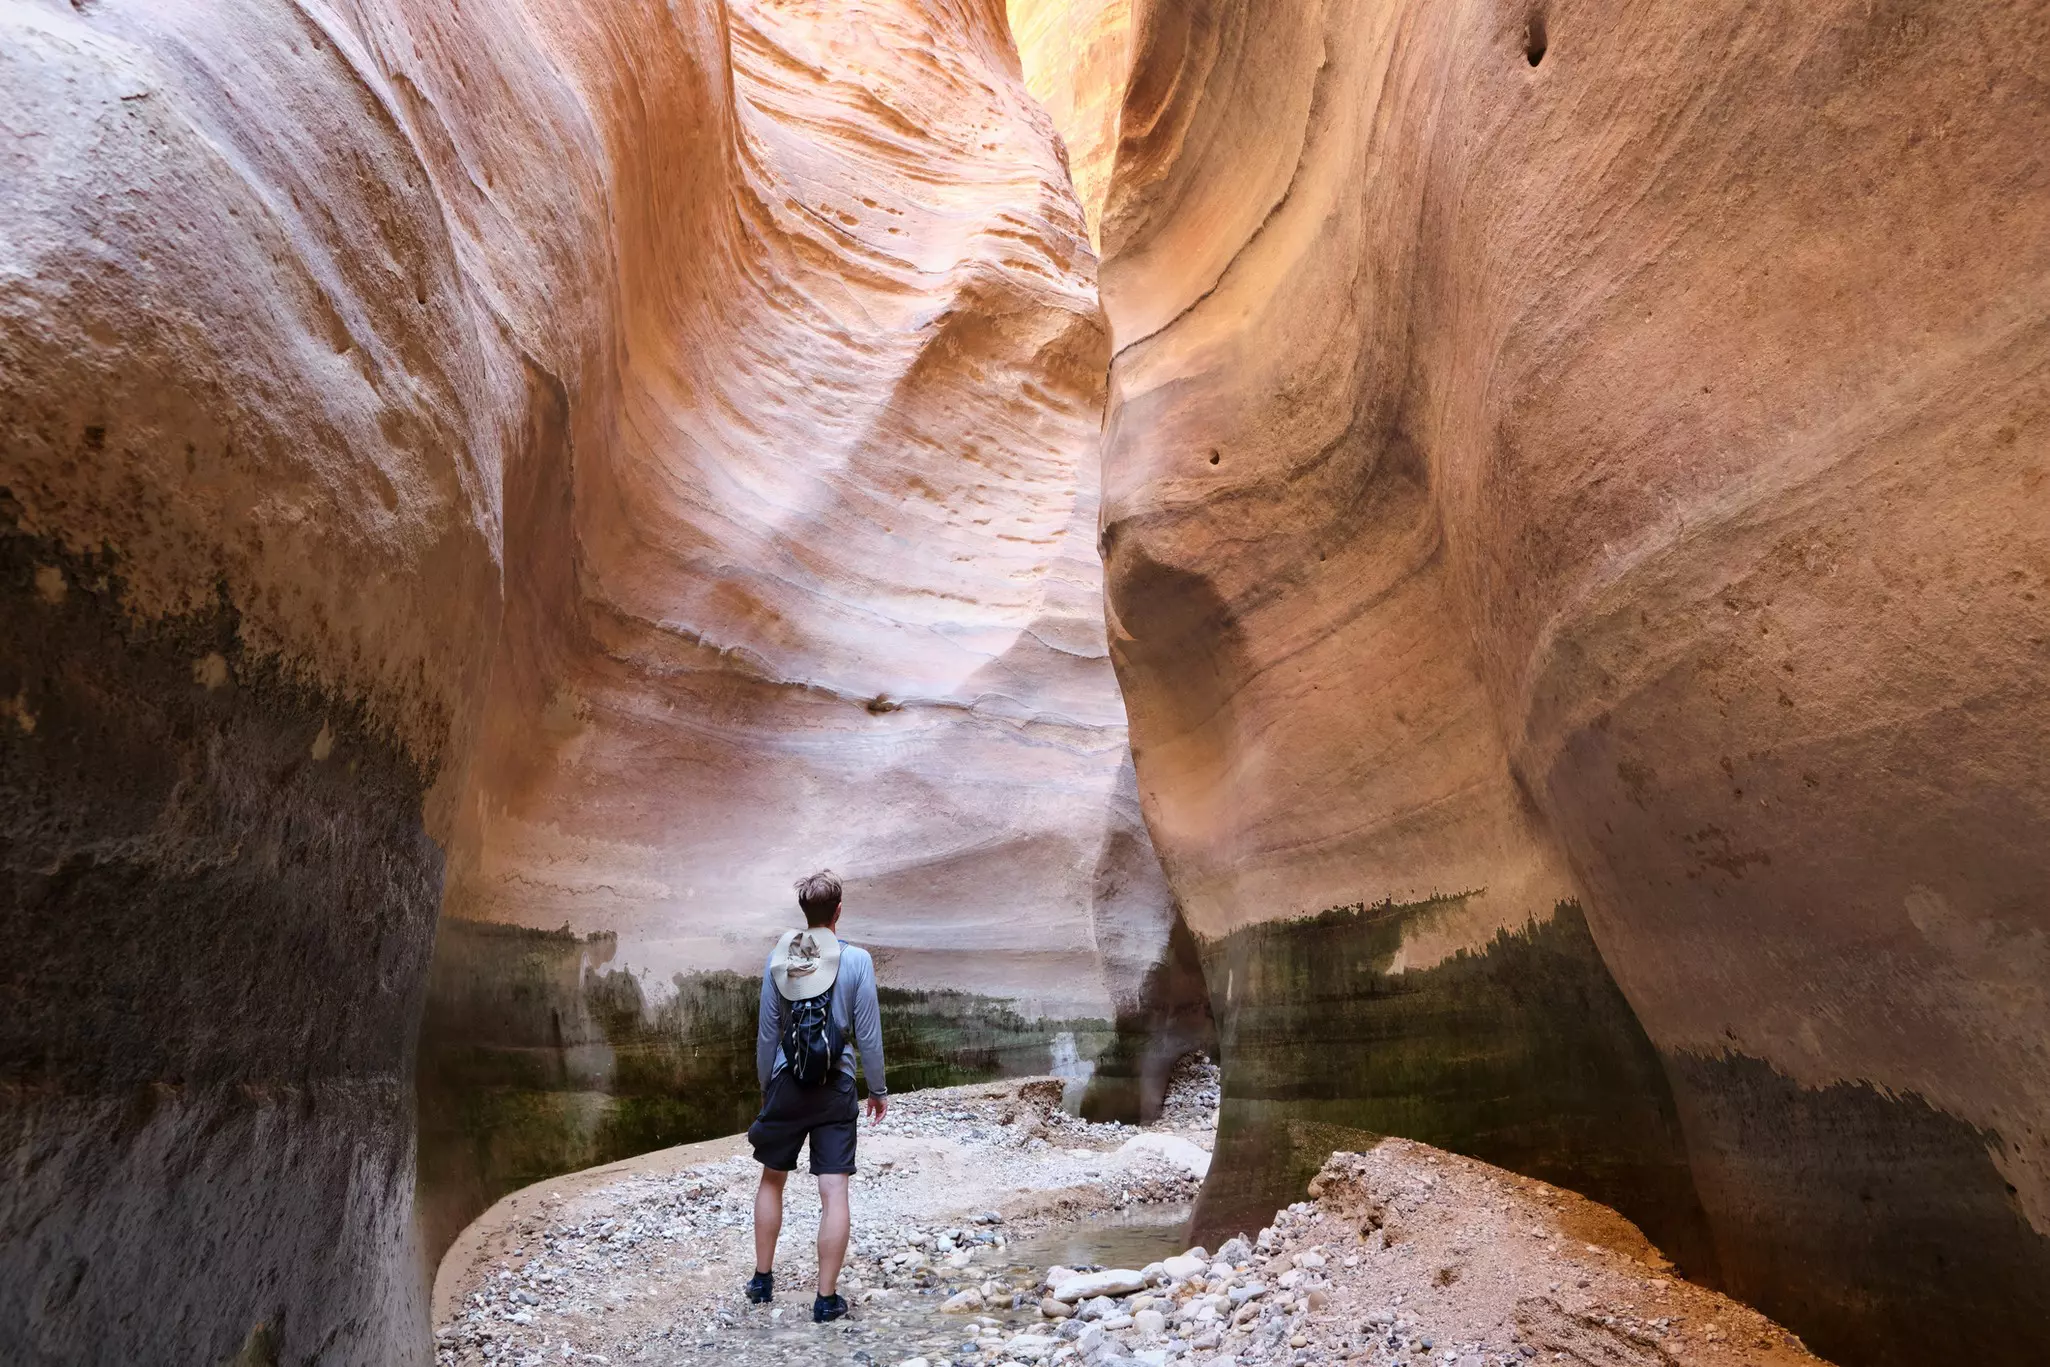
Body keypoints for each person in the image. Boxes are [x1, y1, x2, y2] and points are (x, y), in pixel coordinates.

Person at [745, 870, 887, 1322]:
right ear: (838, 911)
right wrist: (877, 1089)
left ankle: (762, 1281)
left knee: (772, 1177)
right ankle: (826, 1300)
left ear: (805, 914)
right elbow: (867, 1033)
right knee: (834, 1190)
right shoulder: (858, 961)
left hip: (787, 1082)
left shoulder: (779, 958)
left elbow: (769, 1032)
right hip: (836, 1084)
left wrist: (768, 1087)